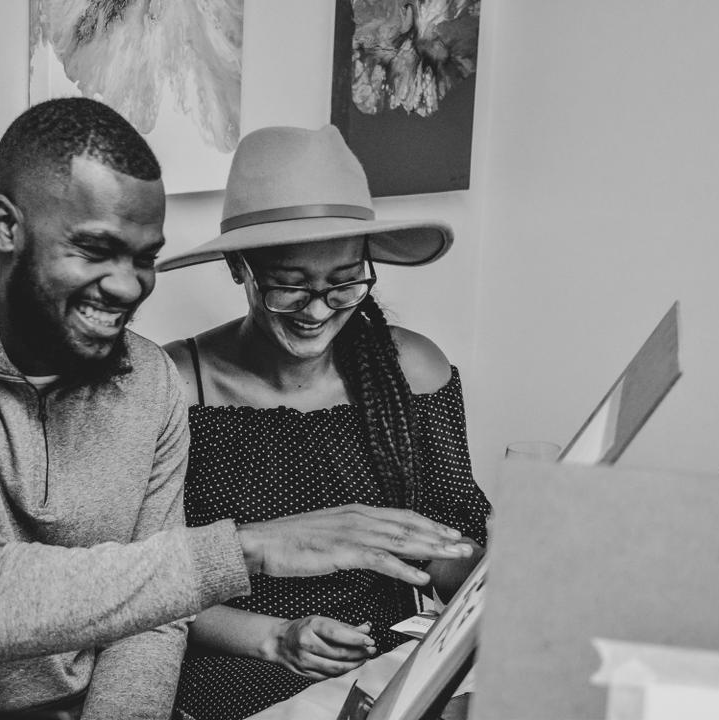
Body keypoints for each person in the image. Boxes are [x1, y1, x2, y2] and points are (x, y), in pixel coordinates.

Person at [0, 98, 474, 720]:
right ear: (5, 223)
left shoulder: (145, 379)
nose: (127, 286)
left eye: (145, 258)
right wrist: (253, 549)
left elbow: (152, 620)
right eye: (96, 250)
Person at [157, 125, 492, 720]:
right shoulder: (175, 390)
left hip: (387, 667)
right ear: (240, 268)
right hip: (233, 680)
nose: (317, 311)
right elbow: (140, 592)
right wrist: (279, 636)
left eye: (343, 285)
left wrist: (494, 566)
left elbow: (451, 549)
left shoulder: (410, 369)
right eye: (290, 286)